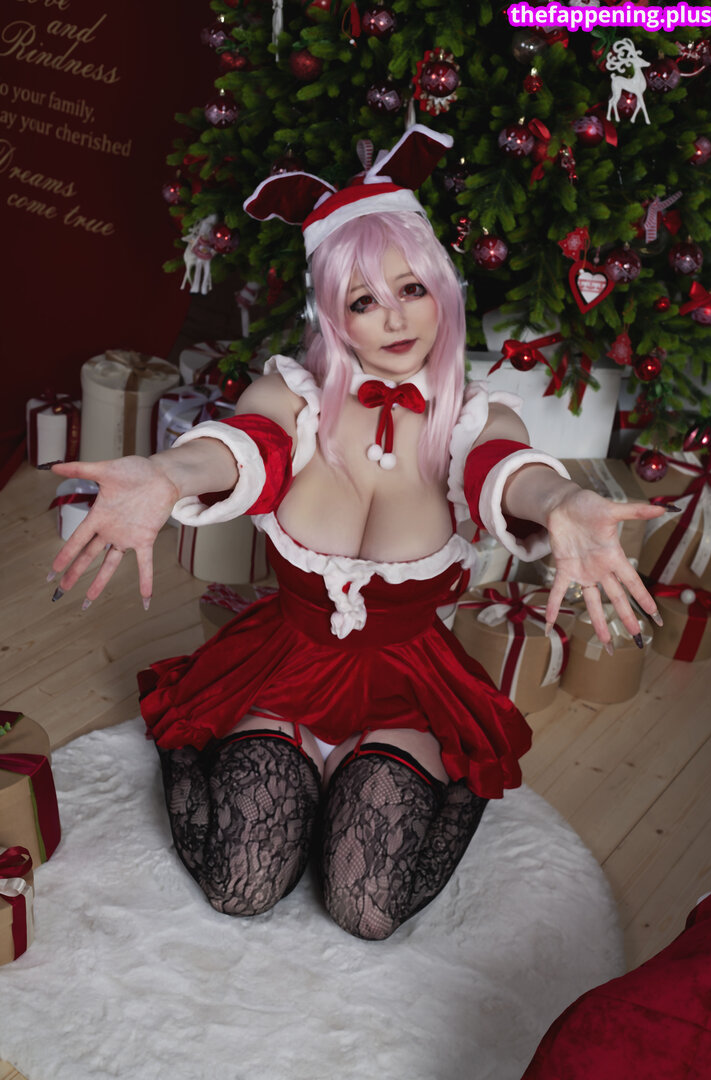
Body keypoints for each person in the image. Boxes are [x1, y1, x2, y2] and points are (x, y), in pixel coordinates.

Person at [48, 126, 666, 940]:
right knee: (242, 888)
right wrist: (168, 472)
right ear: (333, 317)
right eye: (364, 301)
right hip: (284, 668)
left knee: (365, 911)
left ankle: (428, 782)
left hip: (405, 687)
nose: (396, 319)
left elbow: (504, 472)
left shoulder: (476, 417)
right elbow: (244, 449)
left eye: (411, 288)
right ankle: (241, 757)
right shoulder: (293, 395)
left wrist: (560, 501)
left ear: (442, 289)